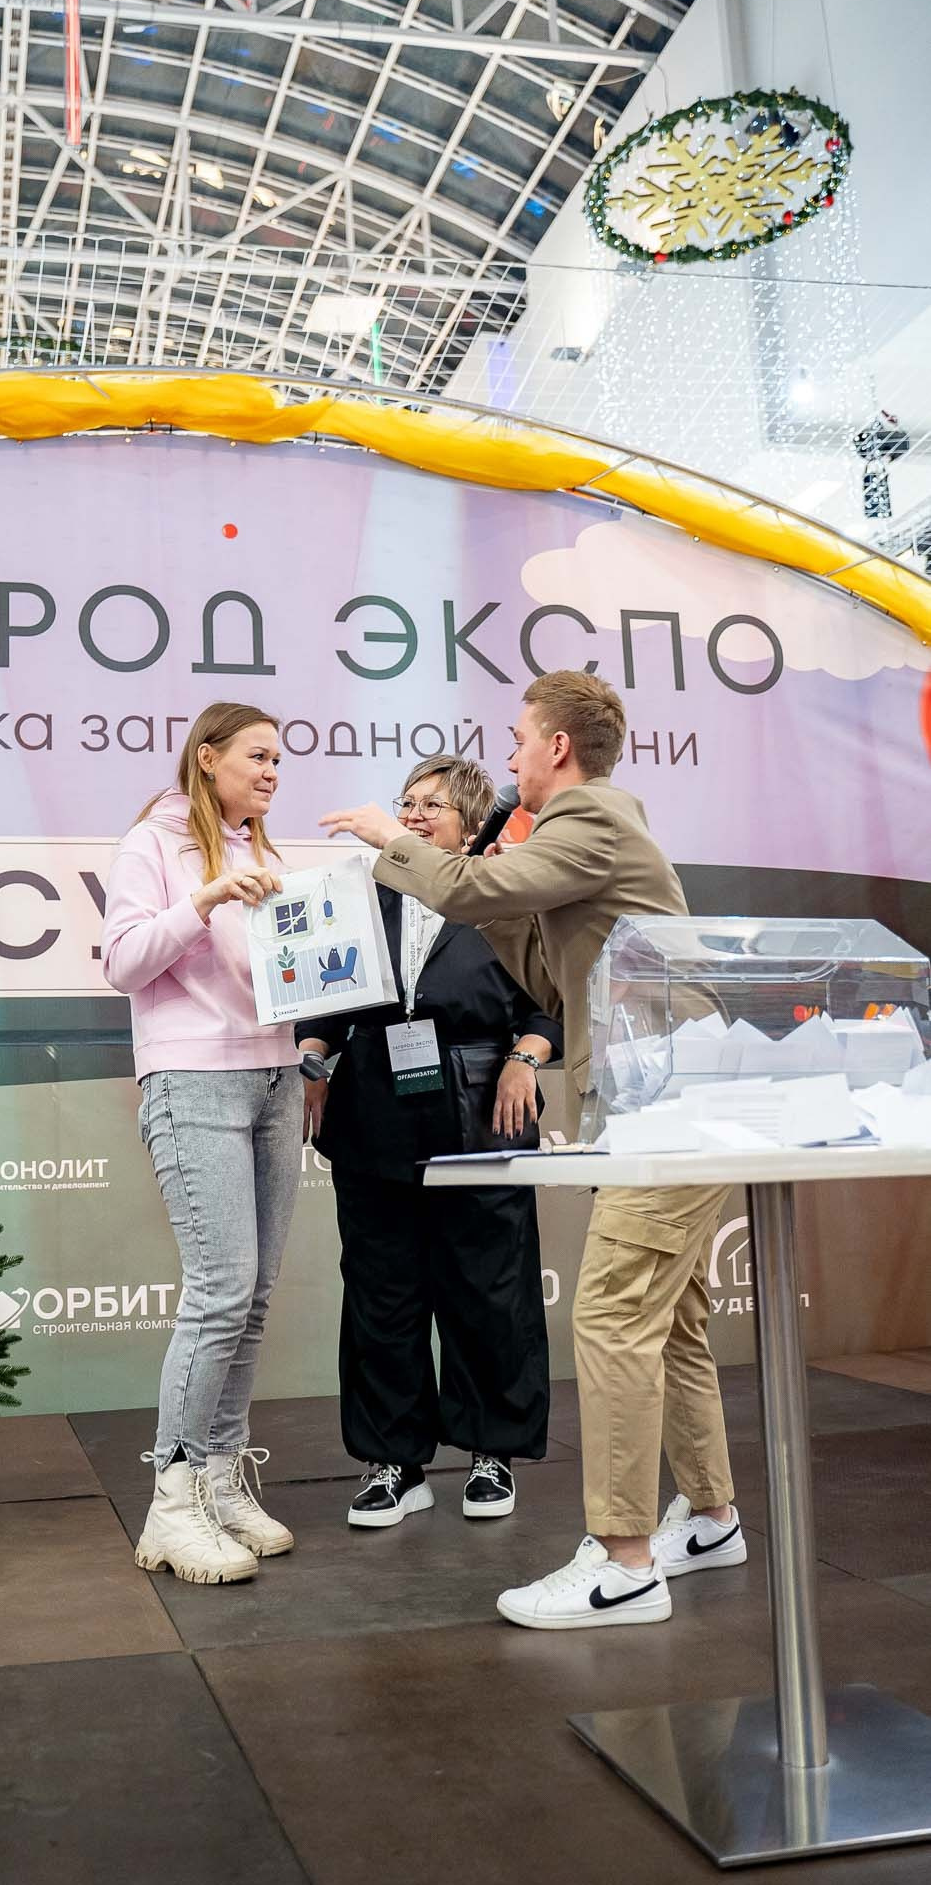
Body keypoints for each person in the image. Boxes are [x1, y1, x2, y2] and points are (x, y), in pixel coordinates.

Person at [320, 671, 746, 1631]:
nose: (508, 757)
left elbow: (466, 890)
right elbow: (546, 975)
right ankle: (711, 1518)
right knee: (672, 1319)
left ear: (557, 746)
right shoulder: (575, 837)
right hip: (653, 1095)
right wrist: (492, 892)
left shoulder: (589, 817)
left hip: (670, 1098)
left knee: (611, 1314)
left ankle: (623, 1562)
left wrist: (393, 841)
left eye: (517, 739)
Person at [296, 754, 560, 1529]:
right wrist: (312, 1056)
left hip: (483, 1114)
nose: (410, 816)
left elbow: (549, 1005)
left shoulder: (505, 895)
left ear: (470, 824)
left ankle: (490, 1453)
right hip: (373, 1114)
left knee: (488, 1291)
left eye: (429, 806)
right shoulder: (355, 897)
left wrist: (522, 1059)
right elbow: (323, 1001)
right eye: (404, 803)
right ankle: (393, 1463)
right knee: (381, 1295)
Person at [102, 702, 302, 1586]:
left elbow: (279, 974)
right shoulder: (152, 842)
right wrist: (204, 898)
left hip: (276, 1077)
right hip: (192, 1079)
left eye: (278, 761)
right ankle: (171, 1505)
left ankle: (220, 1480)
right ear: (208, 757)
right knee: (220, 1292)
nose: (271, 772)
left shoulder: (264, 850)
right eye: (257, 756)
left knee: (251, 1298)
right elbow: (123, 962)